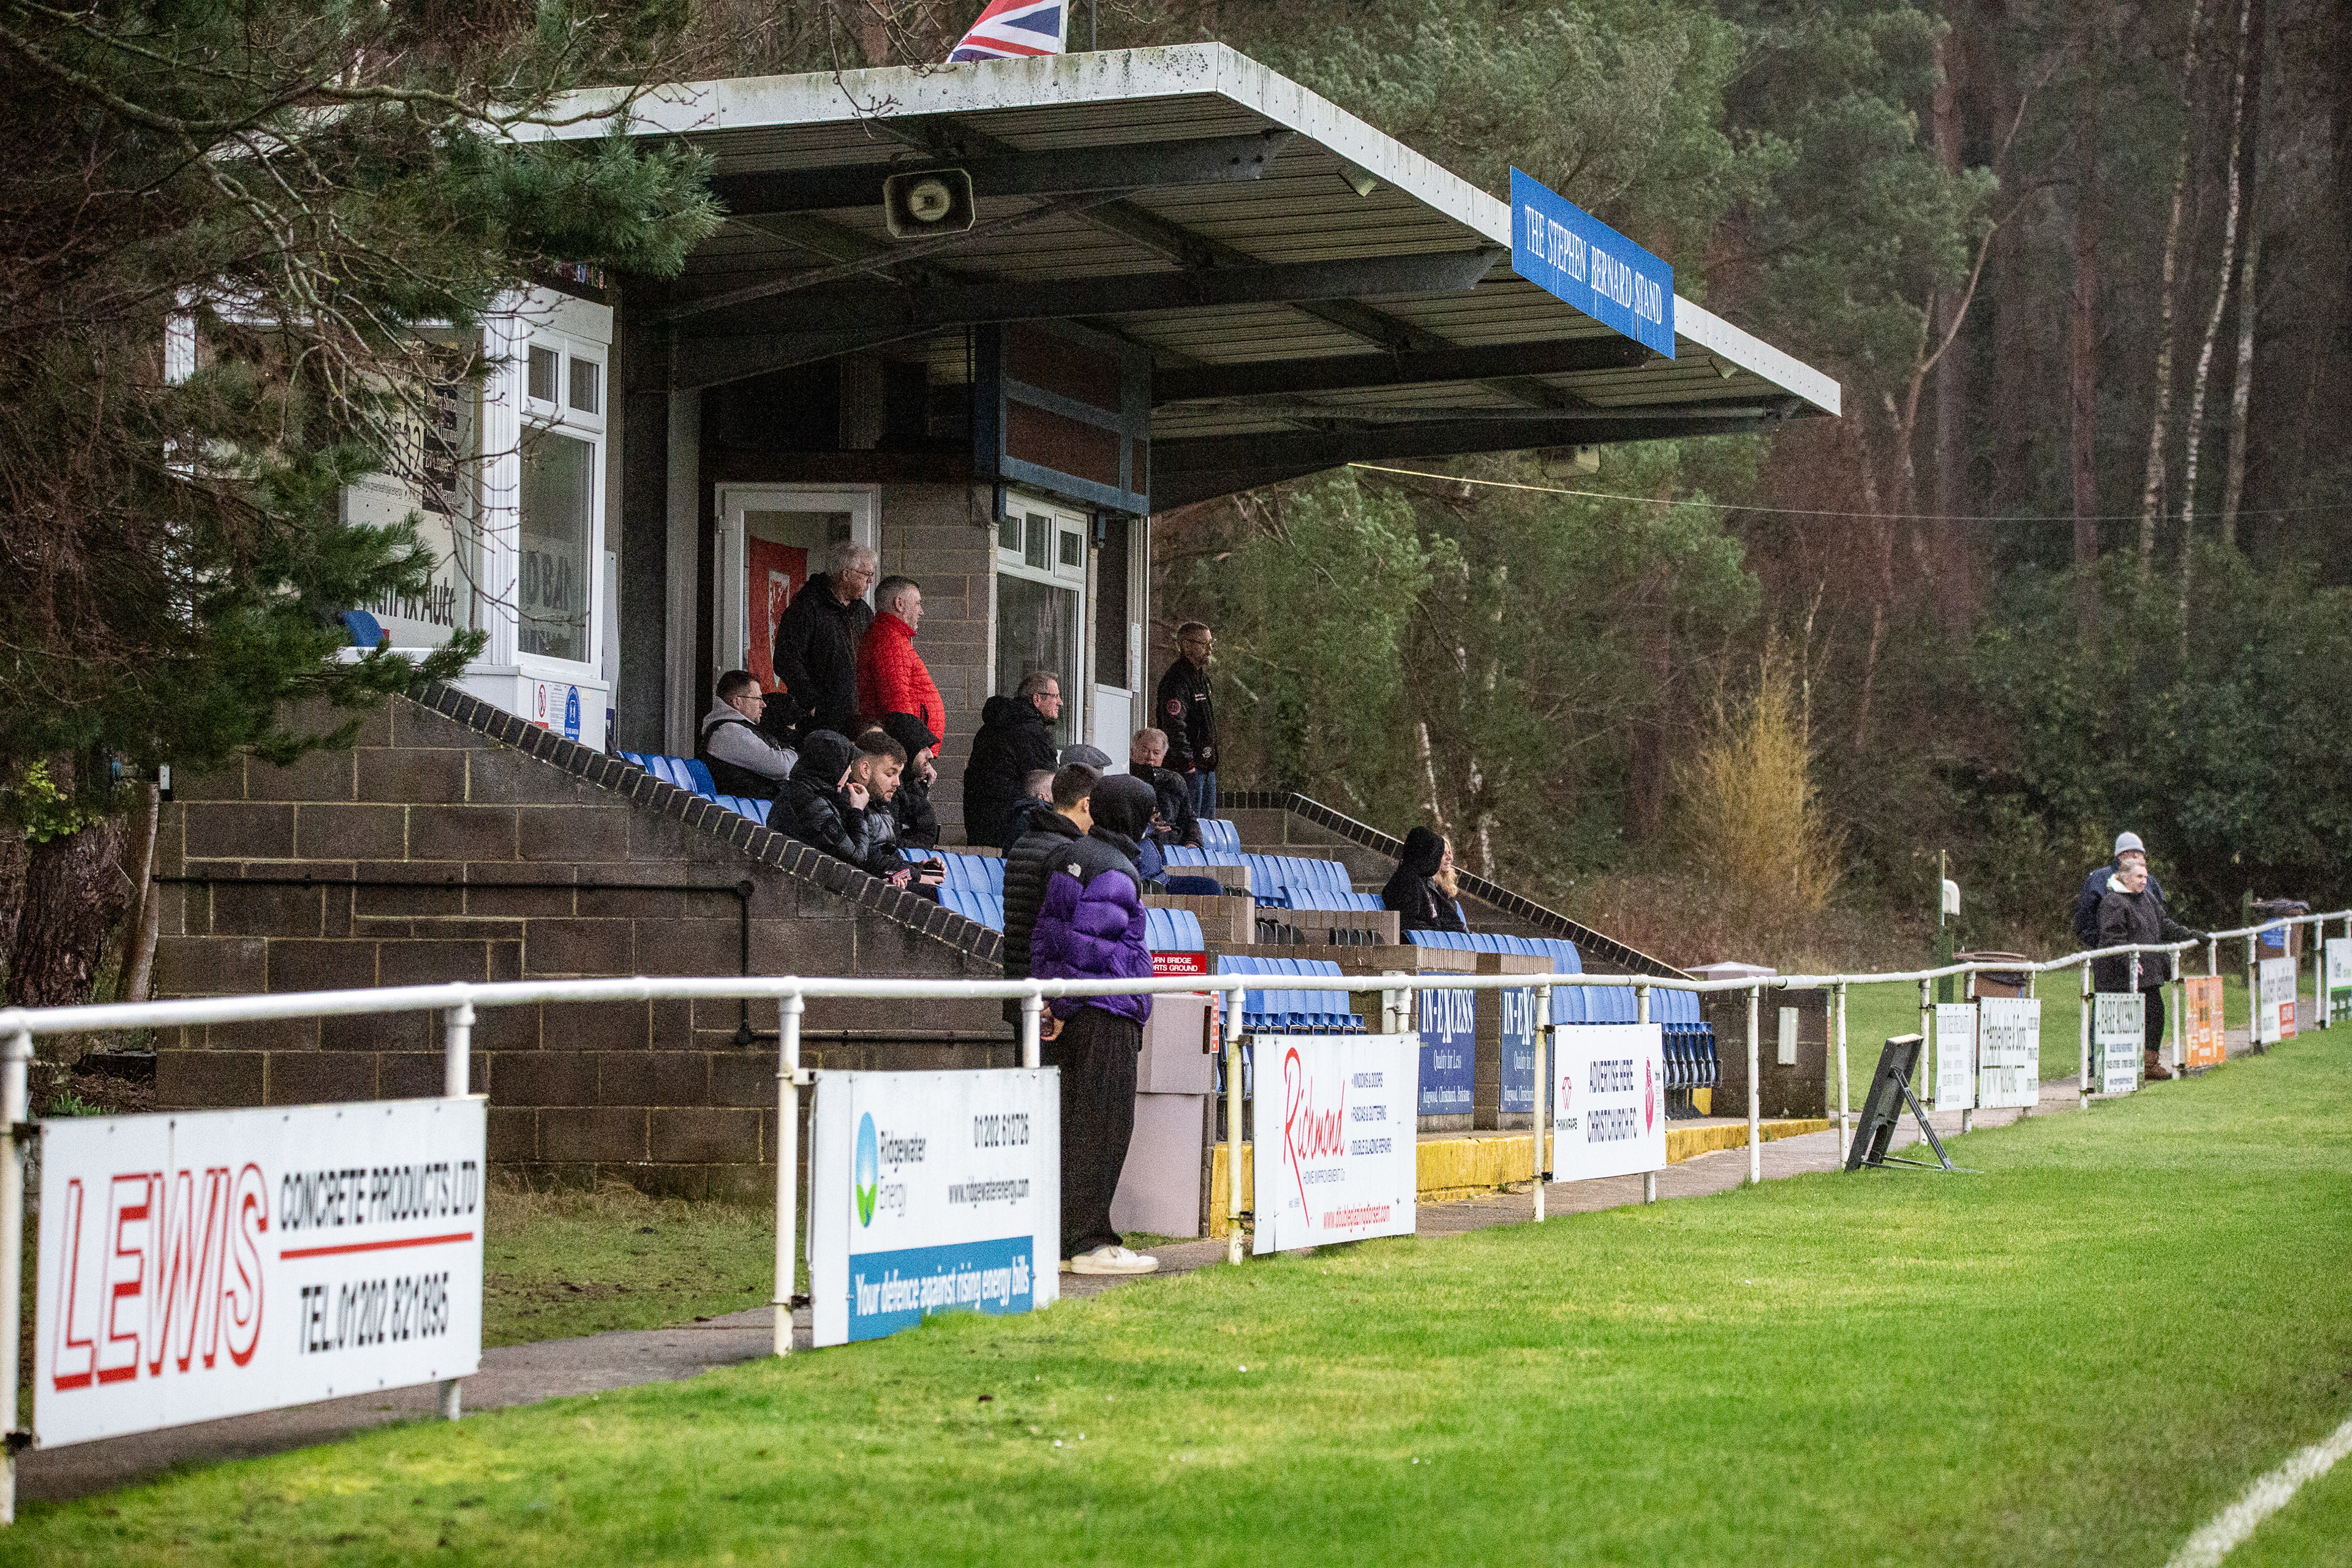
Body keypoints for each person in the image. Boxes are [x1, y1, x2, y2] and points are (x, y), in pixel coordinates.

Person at [1028, 773, 1161, 1276]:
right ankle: (1091, 1241)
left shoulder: (1069, 855)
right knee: (1104, 1127)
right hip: (1105, 1013)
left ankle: (1067, 1239)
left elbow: (1048, 936)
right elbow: (1089, 949)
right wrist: (1061, 1007)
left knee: (1072, 1126)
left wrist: (1050, 1004)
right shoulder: (1117, 871)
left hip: (1072, 1011)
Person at [2094, 858, 2204, 1082]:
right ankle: (2117, 1068)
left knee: (2156, 1014)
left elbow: (2165, 925)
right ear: (2124, 877)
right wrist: (2130, 961)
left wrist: (2192, 934)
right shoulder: (2113, 902)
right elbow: (2112, 939)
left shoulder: (2148, 898)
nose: (2144, 881)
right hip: (2119, 976)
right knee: (2124, 1021)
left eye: (2146, 877)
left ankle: (2149, 1062)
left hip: (2149, 971)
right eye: (2139, 877)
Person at [765, 540, 875, 745]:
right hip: (823, 719)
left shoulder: (863, 611)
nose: (870, 581)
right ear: (846, 574)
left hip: (859, 717)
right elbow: (786, 660)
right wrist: (813, 703)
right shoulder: (807, 608)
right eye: (866, 574)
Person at [772, 730, 914, 889]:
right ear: (830, 766)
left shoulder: (812, 796)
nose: (848, 772)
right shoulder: (810, 803)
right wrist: (857, 811)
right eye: (846, 765)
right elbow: (857, 858)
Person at [1003, 763, 1099, 981]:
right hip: (1048, 987)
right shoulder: (1068, 852)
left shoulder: (1024, 841)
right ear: (1086, 804)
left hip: (1017, 977)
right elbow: (1060, 929)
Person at [962, 669, 1062, 848]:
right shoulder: (1034, 734)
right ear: (1037, 699)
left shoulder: (987, 730)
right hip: (1015, 831)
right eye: (1055, 696)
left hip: (979, 829)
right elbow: (1046, 787)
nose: (1060, 702)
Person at [854, 575, 945, 740]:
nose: (921, 611)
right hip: (904, 748)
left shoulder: (894, 636)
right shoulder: (889, 639)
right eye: (918, 603)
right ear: (900, 604)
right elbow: (897, 704)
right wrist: (917, 749)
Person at [696, 669, 797, 799]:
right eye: (758, 698)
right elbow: (781, 767)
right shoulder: (728, 732)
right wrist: (794, 752)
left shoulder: (733, 727)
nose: (764, 705)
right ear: (737, 702)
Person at [1155, 622, 1219, 823]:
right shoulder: (1177, 680)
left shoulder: (1202, 679)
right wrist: (1187, 763)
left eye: (1211, 643)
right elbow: (1174, 725)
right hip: (1189, 769)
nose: (1210, 649)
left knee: (1206, 827)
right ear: (1186, 645)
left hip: (1206, 766)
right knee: (1189, 826)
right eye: (1204, 644)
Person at [2073, 831, 2168, 949]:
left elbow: (2161, 920)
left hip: (2147, 953)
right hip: (2111, 955)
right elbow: (2085, 922)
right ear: (2120, 855)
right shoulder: (2097, 880)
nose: (2135, 856)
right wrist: (2106, 947)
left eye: (2139, 853)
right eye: (2130, 852)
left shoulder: (2149, 881)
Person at [1381, 826, 1468, 933]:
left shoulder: (1422, 881)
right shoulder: (1407, 881)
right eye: (1439, 854)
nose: (1449, 857)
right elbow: (1408, 923)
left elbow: (1450, 921)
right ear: (1425, 854)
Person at [1127, 727, 1201, 848]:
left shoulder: (1174, 780)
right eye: (1145, 751)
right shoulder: (1125, 780)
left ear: (1163, 756)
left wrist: (1193, 842)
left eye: (1156, 753)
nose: (1150, 757)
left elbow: (1188, 817)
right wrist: (1145, 826)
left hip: (1172, 844)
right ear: (1132, 752)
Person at [879, 712, 942, 850]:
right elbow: (893, 843)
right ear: (908, 750)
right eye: (923, 748)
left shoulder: (910, 786)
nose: (931, 755)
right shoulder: (890, 790)